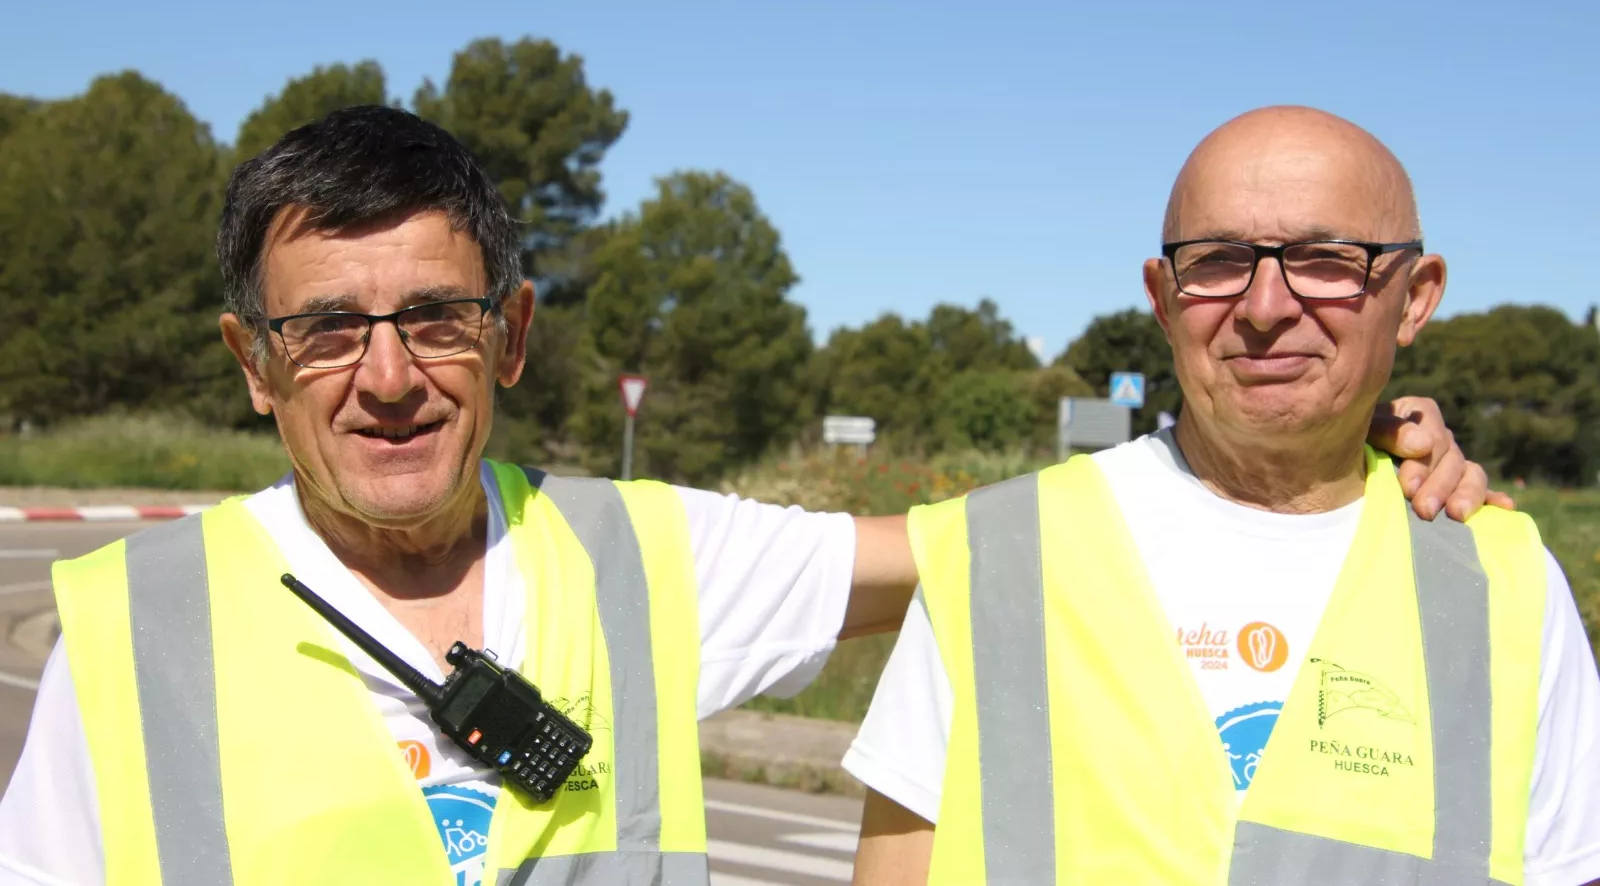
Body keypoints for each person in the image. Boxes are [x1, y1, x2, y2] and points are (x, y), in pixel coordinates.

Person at [0, 106, 1495, 886]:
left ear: (511, 336)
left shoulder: (652, 556)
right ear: (251, 365)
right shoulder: (129, 638)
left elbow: (1028, 544)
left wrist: (1355, 459)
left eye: (439, 317)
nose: (385, 375)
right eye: (327, 326)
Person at [847, 106, 1600, 886]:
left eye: (1324, 259)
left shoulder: (1505, 584)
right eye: (1215, 261)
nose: (1266, 306)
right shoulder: (992, 556)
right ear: (1163, 298)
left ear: (1415, 298)